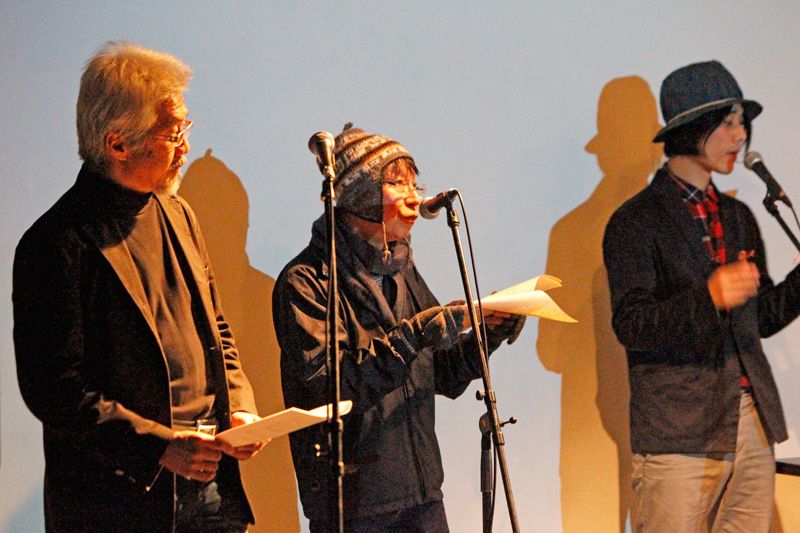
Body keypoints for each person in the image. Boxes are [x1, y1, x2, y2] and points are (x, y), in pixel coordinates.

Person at [13, 42, 266, 532]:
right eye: (173, 134)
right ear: (118, 144)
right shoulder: (54, 242)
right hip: (118, 501)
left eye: (184, 129)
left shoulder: (179, 213)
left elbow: (216, 328)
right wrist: (158, 448)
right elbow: (53, 388)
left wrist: (240, 406)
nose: (185, 147)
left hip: (212, 488)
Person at [273, 124, 526, 532]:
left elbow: (441, 373)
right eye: (396, 183)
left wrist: (489, 332)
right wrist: (417, 333)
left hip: (421, 497)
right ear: (361, 195)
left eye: (414, 184)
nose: (415, 197)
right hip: (355, 507)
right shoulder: (306, 281)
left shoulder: (401, 269)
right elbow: (329, 383)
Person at [603, 60, 800, 532]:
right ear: (691, 129)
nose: (741, 136)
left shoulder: (738, 216)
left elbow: (761, 318)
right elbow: (632, 325)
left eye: (742, 124)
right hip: (679, 430)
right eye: (728, 123)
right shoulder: (635, 221)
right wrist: (708, 297)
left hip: (752, 421)